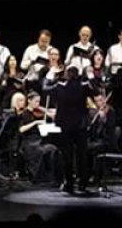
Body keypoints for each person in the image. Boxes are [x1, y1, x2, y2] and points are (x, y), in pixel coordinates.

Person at [46, 66, 96, 194]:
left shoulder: (60, 87)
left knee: (67, 155)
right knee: (82, 155)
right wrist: (91, 77)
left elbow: (45, 88)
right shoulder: (83, 86)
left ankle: (69, 184)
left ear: (67, 75)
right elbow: (96, 91)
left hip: (65, 125)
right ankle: (83, 184)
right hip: (81, 125)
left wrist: (50, 75)